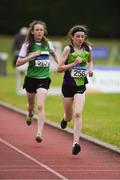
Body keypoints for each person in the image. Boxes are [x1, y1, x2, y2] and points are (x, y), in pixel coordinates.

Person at [16, 20, 59, 143]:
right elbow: (18, 62)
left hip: (44, 79)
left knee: (40, 105)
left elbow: (54, 55)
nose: (39, 32)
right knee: (31, 106)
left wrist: (60, 65)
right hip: (30, 79)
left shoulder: (48, 44)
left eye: (41, 30)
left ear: (44, 31)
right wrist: (32, 56)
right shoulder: (27, 45)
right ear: (33, 32)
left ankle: (39, 132)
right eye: (37, 30)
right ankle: (30, 113)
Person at [58, 25, 93, 155]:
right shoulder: (68, 49)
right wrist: (74, 64)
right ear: (72, 37)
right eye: (77, 36)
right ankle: (65, 118)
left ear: (85, 38)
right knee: (69, 116)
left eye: (82, 37)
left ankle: (75, 143)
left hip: (80, 86)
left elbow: (90, 61)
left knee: (78, 114)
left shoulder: (88, 49)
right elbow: (59, 68)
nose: (80, 39)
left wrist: (90, 69)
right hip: (67, 86)